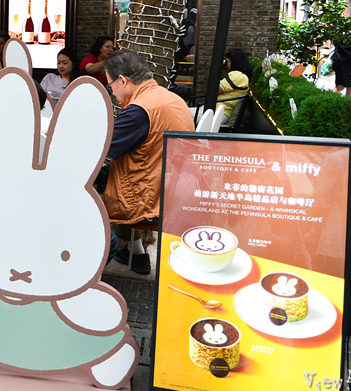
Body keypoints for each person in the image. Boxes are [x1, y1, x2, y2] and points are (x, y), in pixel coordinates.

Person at [102, 50, 195, 274]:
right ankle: (136, 253)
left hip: (150, 197)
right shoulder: (169, 97)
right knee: (112, 173)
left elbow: (102, 148)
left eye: (110, 85)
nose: (112, 92)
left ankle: (91, 259)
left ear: (122, 80)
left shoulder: (138, 111)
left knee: (93, 183)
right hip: (174, 187)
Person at [218, 48, 252, 127]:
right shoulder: (240, 77)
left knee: (187, 116)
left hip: (218, 112)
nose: (226, 64)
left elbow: (213, 91)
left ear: (234, 62)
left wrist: (217, 69)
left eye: (227, 62)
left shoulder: (237, 75)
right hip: (218, 110)